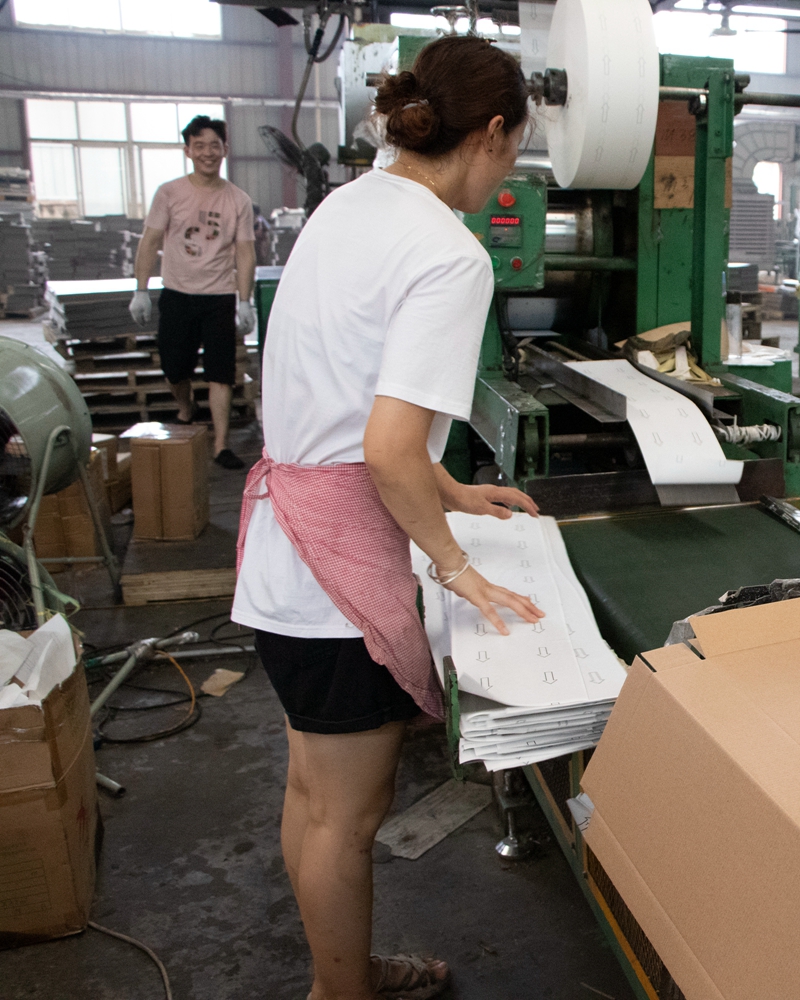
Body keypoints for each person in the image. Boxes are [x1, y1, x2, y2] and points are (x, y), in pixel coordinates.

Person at [231, 36, 538, 1000]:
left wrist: (450, 490)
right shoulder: (449, 252)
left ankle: (342, 969)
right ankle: (341, 993)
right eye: (515, 152)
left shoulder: (349, 204)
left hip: (284, 554)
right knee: (345, 820)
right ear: (491, 132)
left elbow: (345, 400)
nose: (510, 174)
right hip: (336, 589)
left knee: (312, 797)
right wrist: (457, 564)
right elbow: (386, 449)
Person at [131, 115, 256, 470]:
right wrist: (141, 289)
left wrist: (244, 301)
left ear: (225, 150)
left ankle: (220, 445)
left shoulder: (238, 200)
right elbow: (150, 242)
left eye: (214, 145)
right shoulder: (169, 193)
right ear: (187, 151)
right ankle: (186, 408)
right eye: (199, 146)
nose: (207, 153)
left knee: (221, 372)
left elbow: (245, 252)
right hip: (177, 294)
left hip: (219, 297)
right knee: (174, 367)